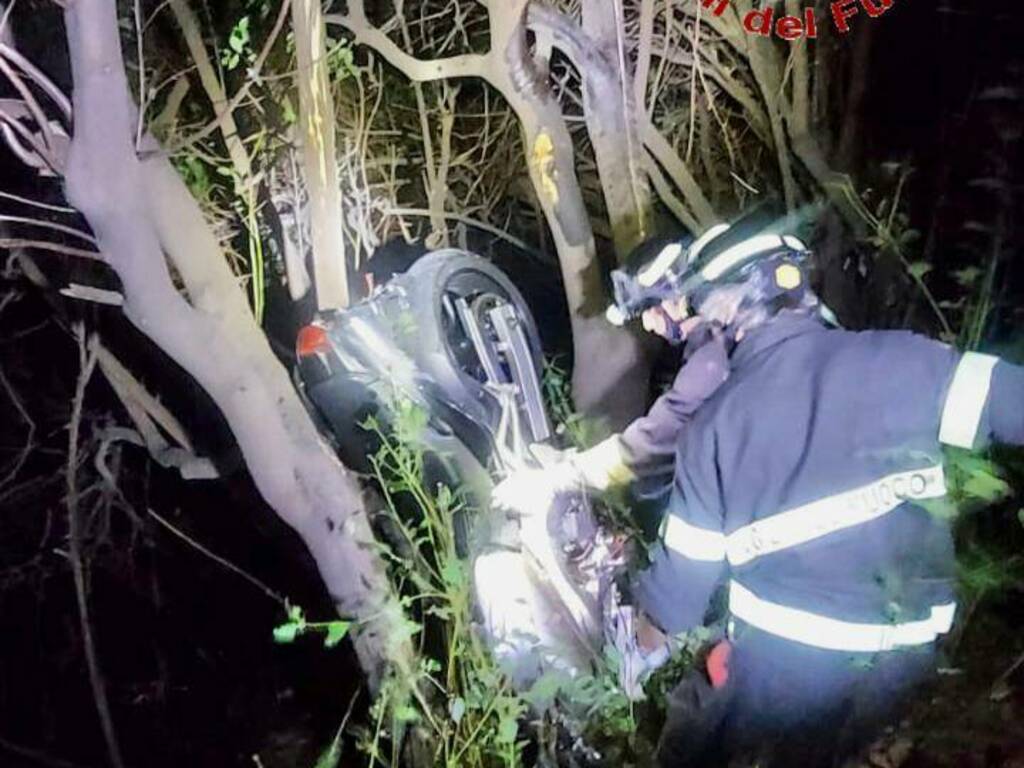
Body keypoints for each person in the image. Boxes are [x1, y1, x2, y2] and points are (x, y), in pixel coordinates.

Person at [491, 220, 1024, 766]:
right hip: (910, 667)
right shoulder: (909, 359)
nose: (665, 322)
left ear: (724, 302)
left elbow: (677, 595)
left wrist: (632, 653)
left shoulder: (712, 426)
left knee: (689, 741)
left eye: (682, 304)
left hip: (784, 676)